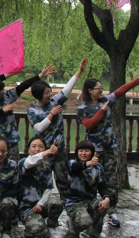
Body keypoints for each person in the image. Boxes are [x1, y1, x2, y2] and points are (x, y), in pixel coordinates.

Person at [76, 66, 139, 227]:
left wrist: (137, 80)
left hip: (110, 147)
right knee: (91, 179)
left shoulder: (106, 100)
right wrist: (101, 112)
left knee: (111, 180)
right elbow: (88, 125)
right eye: (98, 88)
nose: (101, 90)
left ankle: (111, 211)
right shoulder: (82, 109)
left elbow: (121, 90)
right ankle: (90, 209)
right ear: (89, 91)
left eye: (102, 88)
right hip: (93, 151)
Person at [27, 58, 88, 199]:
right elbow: (38, 128)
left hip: (59, 149)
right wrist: (51, 114)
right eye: (46, 93)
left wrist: (79, 71)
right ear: (38, 95)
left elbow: (67, 89)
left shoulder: (55, 101)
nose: (50, 95)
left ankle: (66, 203)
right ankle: (40, 204)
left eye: (50, 92)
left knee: (63, 178)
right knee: (42, 178)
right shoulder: (32, 110)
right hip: (43, 150)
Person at [0, 65, 55, 160]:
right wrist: (2, 111)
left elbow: (23, 86)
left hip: (11, 139)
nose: (0, 93)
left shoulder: (6, 96)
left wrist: (40, 75)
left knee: (13, 165)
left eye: (1, 90)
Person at [18, 136, 63, 238]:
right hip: (26, 208)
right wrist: (46, 153)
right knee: (40, 231)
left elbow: (49, 188)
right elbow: (31, 162)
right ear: (28, 149)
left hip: (41, 205)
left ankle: (51, 225)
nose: (37, 149)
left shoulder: (46, 165)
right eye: (34, 146)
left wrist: (40, 204)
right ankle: (29, 229)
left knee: (57, 203)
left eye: (41, 147)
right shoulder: (23, 162)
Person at [64, 140, 110, 238]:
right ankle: (73, 228)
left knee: (102, 206)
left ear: (92, 152)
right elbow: (75, 168)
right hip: (74, 202)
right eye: (81, 151)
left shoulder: (98, 167)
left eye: (87, 151)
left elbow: (102, 186)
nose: (83, 153)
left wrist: (106, 198)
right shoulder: (72, 163)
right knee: (85, 222)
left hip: (90, 200)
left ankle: (95, 232)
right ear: (77, 152)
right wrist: (88, 163)